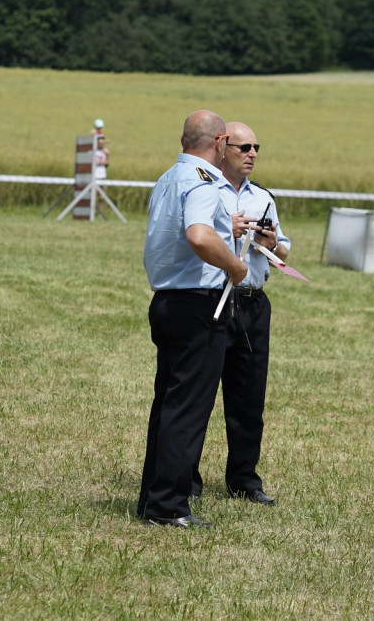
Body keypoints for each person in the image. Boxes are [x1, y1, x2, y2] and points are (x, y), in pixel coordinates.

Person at [137, 110, 248, 529]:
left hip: (167, 301)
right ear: (219, 142)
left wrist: (224, 226)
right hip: (198, 306)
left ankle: (153, 498)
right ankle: (169, 506)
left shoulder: (169, 178)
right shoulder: (205, 181)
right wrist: (235, 266)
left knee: (168, 404)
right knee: (188, 409)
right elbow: (198, 236)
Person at [191, 121, 290, 507]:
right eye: (243, 147)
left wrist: (272, 243)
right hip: (213, 300)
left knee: (249, 399)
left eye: (256, 148)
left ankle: (245, 480)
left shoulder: (263, 197)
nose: (251, 154)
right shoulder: (204, 190)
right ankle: (187, 479)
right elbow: (193, 237)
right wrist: (225, 229)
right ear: (222, 147)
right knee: (198, 396)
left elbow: (284, 252)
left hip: (252, 303)